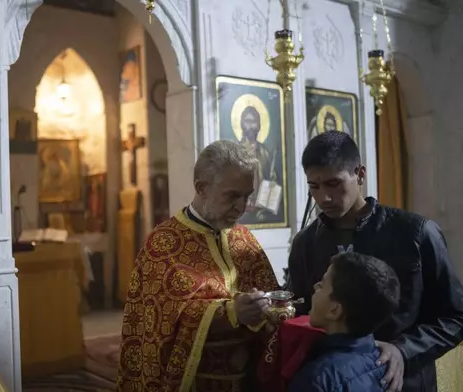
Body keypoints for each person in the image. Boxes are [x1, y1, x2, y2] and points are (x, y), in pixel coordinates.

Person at [287, 131, 463, 392]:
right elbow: (302, 314)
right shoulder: (306, 243)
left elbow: (455, 316)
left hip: (406, 382)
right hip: (335, 382)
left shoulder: (415, 233)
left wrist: (403, 350)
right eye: (314, 186)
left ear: (360, 174)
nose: (323, 198)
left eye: (334, 184)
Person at [116, 140, 281, 392]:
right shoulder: (164, 244)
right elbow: (161, 324)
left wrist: (269, 307)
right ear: (201, 187)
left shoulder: (244, 239)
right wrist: (231, 313)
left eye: (247, 196)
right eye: (232, 196)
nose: (242, 207)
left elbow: (272, 296)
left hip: (247, 379)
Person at [288, 252, 401, 392]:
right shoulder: (386, 364)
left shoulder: (317, 379)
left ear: (334, 311)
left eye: (322, 285)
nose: (315, 287)